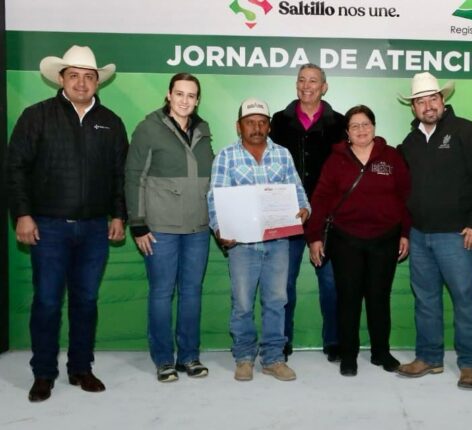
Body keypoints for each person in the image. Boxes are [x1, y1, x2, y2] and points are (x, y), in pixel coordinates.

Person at [6, 45, 128, 402]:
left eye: (88, 76)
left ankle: (80, 368)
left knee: (86, 301)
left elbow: (120, 175)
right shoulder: (36, 116)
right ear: (61, 79)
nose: (81, 82)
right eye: (73, 75)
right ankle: (43, 373)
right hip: (48, 226)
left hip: (94, 229)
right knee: (46, 301)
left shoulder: (111, 122)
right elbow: (16, 169)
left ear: (97, 82)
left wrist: (119, 214)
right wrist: (23, 214)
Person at [396, 72, 472, 390]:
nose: (427, 105)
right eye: (420, 101)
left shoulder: (467, 132)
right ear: (413, 107)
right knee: (425, 299)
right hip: (420, 235)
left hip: (457, 235)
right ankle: (429, 357)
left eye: (432, 98)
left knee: (465, 299)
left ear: (443, 100)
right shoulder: (410, 143)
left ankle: (469, 364)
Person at [207, 98, 310, 382]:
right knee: (241, 303)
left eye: (262, 122)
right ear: (238, 126)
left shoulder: (283, 154)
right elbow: (214, 198)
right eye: (250, 122)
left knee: (277, 301)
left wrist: (304, 209)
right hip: (241, 245)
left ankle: (274, 358)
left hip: (278, 244)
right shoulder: (226, 157)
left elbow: (298, 191)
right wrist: (219, 229)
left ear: (269, 125)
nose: (257, 128)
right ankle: (243, 357)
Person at [305, 105, 411, 377]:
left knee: (379, 298)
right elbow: (320, 199)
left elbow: (405, 197)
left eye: (366, 124)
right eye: (355, 126)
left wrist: (404, 233)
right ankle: (348, 355)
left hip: (384, 240)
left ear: (374, 127)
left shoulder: (392, 157)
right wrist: (314, 237)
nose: (361, 130)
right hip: (345, 240)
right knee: (348, 299)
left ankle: (381, 352)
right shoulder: (336, 160)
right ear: (347, 132)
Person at [125, 73, 214, 383]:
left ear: (198, 99)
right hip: (159, 228)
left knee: (192, 293)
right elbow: (134, 176)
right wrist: (137, 224)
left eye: (191, 95)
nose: (185, 100)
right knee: (162, 292)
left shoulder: (204, 131)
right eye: (179, 94)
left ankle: (189, 356)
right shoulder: (148, 128)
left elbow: (210, 181)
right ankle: (164, 359)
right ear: (168, 94)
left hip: (198, 230)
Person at [270, 63, 346, 362]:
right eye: (301, 80)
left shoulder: (340, 123)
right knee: (283, 285)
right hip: (285, 215)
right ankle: (282, 341)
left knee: (330, 284)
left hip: (326, 219)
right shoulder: (278, 121)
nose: (306, 85)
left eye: (313, 81)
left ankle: (335, 341)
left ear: (324, 87)